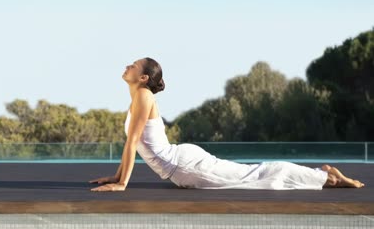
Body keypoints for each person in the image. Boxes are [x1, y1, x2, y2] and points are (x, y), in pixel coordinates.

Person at [89, 57, 365, 191]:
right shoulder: (140, 97)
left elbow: (132, 142)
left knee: (256, 179)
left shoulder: (142, 97)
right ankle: (323, 174)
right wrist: (117, 177)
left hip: (183, 166)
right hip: (183, 163)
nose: (128, 65)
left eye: (134, 65)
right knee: (252, 174)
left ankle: (325, 176)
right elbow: (134, 143)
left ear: (144, 78)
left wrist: (122, 183)